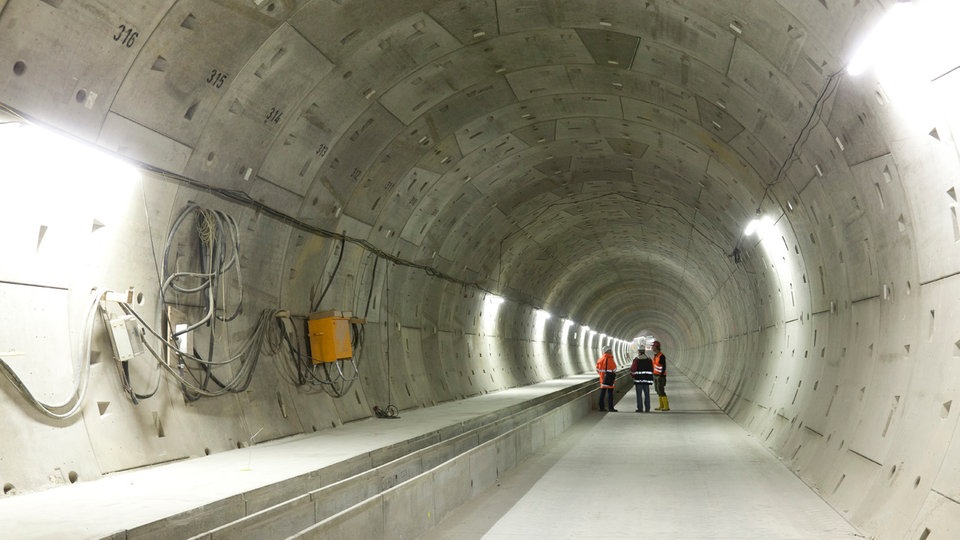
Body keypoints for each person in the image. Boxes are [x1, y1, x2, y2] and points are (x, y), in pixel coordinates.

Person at [630, 344, 654, 412]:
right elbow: (652, 369)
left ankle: (640, 408)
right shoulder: (649, 360)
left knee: (639, 395)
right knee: (647, 394)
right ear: (644, 351)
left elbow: (633, 370)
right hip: (647, 380)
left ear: (638, 351)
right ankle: (647, 408)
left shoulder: (636, 360)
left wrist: (633, 376)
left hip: (638, 380)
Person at [596, 345, 617, 412]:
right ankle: (610, 408)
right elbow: (614, 369)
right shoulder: (610, 358)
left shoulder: (600, 359)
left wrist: (602, 375)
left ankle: (601, 407)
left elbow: (597, 369)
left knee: (602, 394)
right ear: (608, 351)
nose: (611, 352)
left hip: (603, 379)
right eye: (610, 350)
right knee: (610, 394)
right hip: (610, 379)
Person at [652, 340, 669, 411]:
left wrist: (661, 375)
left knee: (661, 390)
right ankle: (661, 406)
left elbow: (664, 367)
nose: (652, 347)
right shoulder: (655, 356)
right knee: (657, 390)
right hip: (655, 375)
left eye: (653, 346)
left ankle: (666, 406)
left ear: (656, 347)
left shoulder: (661, 356)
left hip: (660, 376)